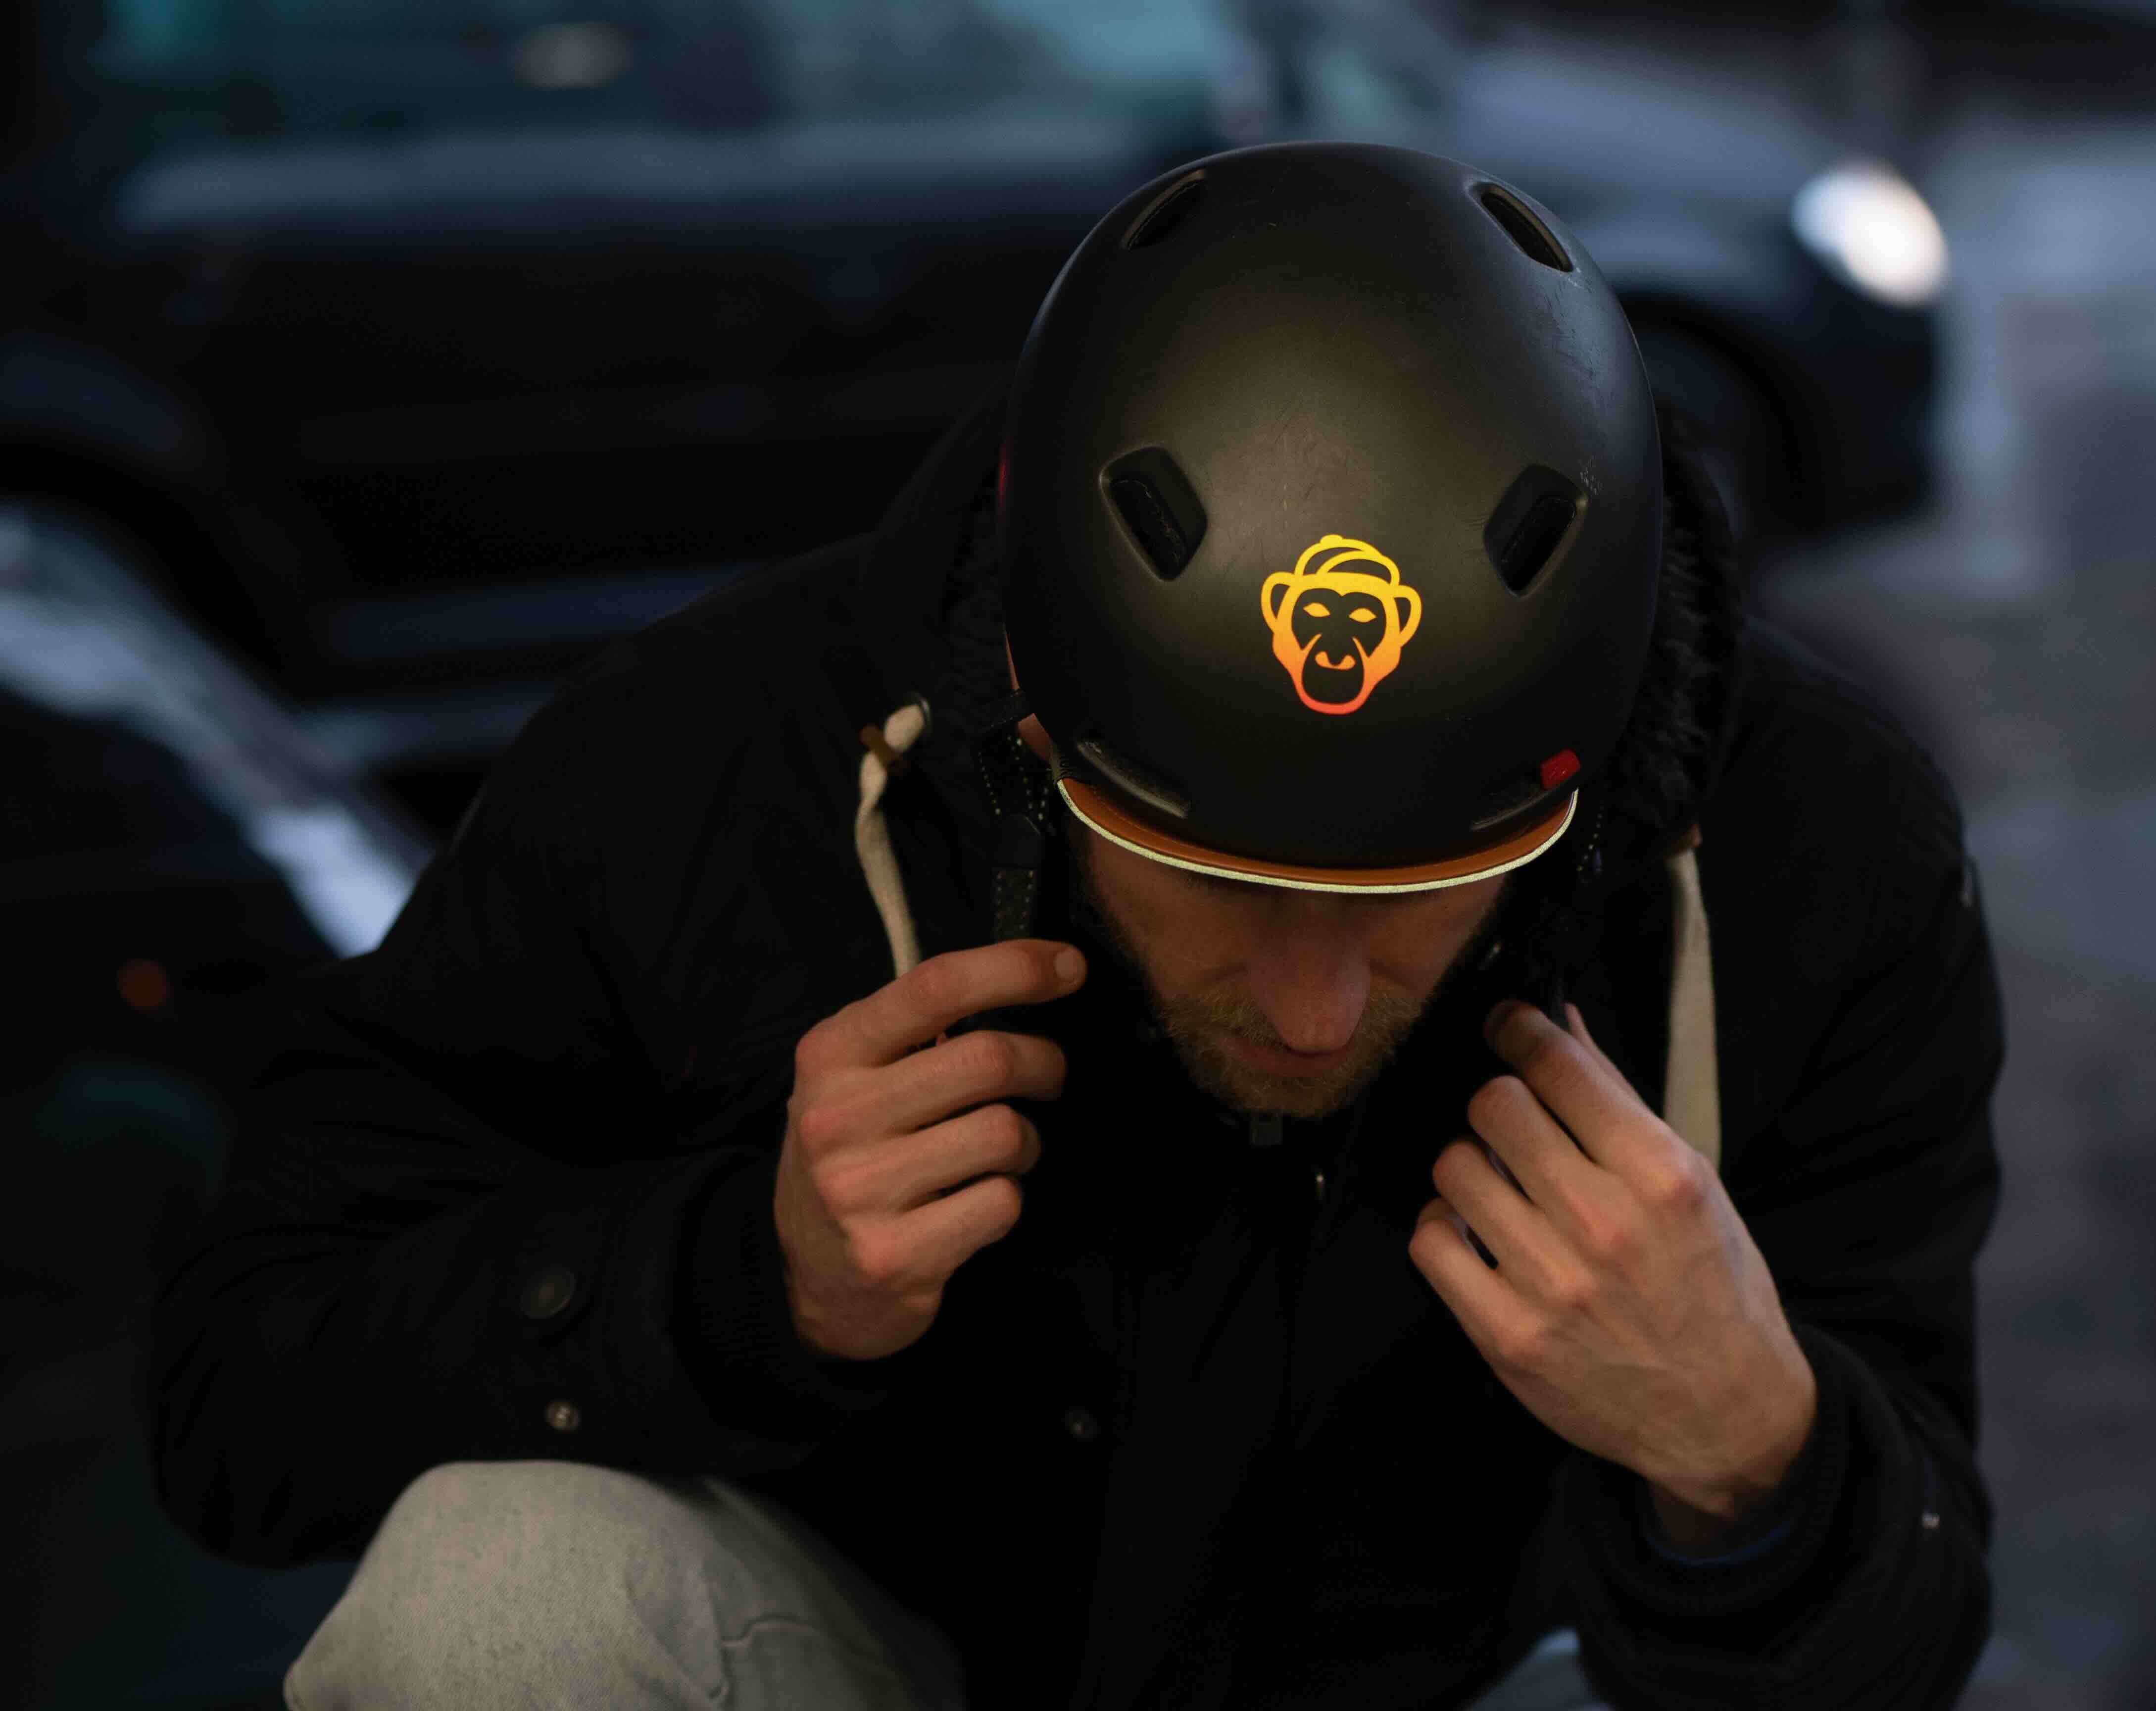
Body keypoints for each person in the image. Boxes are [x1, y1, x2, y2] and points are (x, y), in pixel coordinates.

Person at [146, 141, 2005, 1711]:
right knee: (503, 1598)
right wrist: (737, 1280)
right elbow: (237, 1397)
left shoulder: (1810, 842)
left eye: (1421, 888)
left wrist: (1756, 1456)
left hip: (1497, 1682)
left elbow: (1911, 1631)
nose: (1310, 1001)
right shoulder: (718, 761)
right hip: (887, 1668)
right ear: (1038, 723)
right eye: (1217, 875)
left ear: (1576, 772)